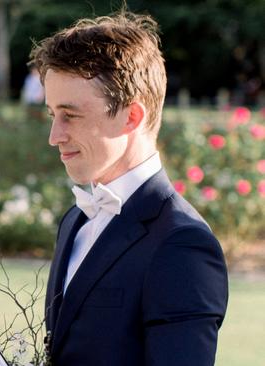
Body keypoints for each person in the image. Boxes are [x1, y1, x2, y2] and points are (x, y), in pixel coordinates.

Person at [30, 11, 228, 366]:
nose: (54, 136)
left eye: (70, 115)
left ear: (131, 117)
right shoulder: (74, 221)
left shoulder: (182, 244)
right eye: (51, 115)